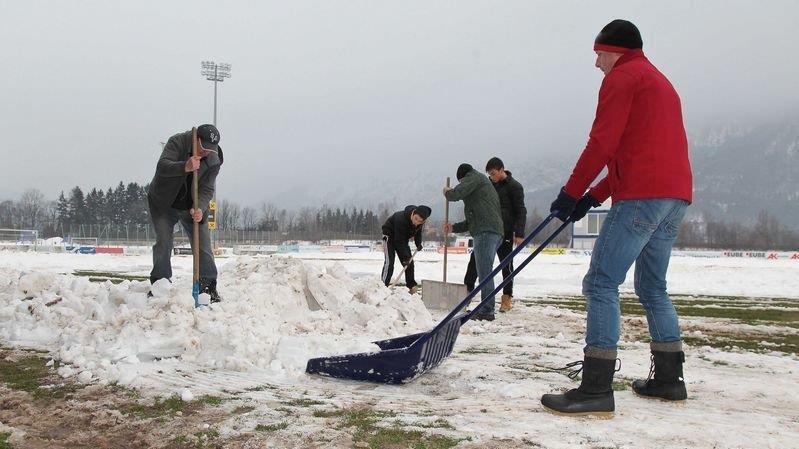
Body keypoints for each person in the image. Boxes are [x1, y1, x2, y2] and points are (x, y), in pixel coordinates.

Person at [541, 19, 693, 416]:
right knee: (652, 287)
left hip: (643, 196)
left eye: (599, 54)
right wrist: (592, 196)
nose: (597, 64)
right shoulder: (658, 81)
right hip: (674, 196)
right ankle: (668, 380)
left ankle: (595, 386)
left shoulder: (623, 78)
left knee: (601, 282)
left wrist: (570, 192)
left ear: (617, 52)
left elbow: (603, 142)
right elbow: (641, 150)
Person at [147, 124, 224, 302]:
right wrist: (185, 166)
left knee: (203, 244)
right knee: (164, 242)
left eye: (210, 150)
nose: (206, 153)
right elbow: (163, 167)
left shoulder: (214, 159)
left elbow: (207, 189)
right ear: (195, 139)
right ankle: (160, 284)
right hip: (164, 203)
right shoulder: (178, 142)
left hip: (191, 205)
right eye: (203, 148)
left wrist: (200, 208)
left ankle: (207, 286)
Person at [463, 157, 526, 313]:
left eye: (493, 173)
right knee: (475, 261)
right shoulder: (488, 186)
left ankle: (506, 297)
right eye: (489, 174)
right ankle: (466, 294)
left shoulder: (514, 187)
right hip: (486, 230)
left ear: (501, 170)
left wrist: (519, 233)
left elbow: (521, 211)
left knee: (506, 264)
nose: (491, 177)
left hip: (505, 231)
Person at [444, 163, 504, 320]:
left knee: (485, 273)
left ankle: (487, 311)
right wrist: (453, 228)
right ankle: (487, 308)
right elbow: (473, 220)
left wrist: (448, 192)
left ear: (463, 178)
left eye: (461, 182)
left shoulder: (474, 177)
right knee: (485, 271)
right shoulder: (480, 189)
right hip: (491, 231)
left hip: (486, 233)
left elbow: (456, 194)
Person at [381, 205, 432, 293]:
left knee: (410, 263)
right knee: (390, 263)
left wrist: (418, 243)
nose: (417, 222)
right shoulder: (401, 218)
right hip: (389, 237)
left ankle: (411, 286)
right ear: (413, 213)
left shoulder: (420, 223)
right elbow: (398, 241)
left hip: (402, 239)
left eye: (420, 221)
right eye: (416, 219)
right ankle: (382, 286)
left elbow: (417, 233)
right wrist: (405, 258)